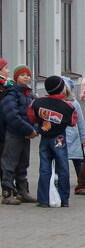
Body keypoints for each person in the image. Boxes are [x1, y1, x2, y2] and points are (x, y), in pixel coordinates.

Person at [31, 75, 76, 208]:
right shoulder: (67, 105)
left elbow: (32, 117)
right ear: (62, 88)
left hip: (44, 138)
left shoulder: (38, 102)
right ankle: (64, 199)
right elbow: (73, 121)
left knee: (44, 168)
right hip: (59, 138)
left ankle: (43, 199)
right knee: (63, 167)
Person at [1, 65, 36, 204]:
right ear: (16, 78)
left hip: (26, 135)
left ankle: (23, 191)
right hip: (14, 134)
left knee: (23, 164)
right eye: (22, 75)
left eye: (27, 75)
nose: (26, 77)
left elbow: (34, 115)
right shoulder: (11, 94)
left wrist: (35, 129)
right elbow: (12, 116)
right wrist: (29, 130)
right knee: (9, 164)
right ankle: (7, 193)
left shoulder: (30, 95)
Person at [63, 77, 85, 183]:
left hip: (74, 137)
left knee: (79, 161)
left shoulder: (74, 103)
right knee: (61, 161)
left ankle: (82, 181)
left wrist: (83, 138)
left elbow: (80, 121)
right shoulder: (54, 102)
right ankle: (61, 180)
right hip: (61, 137)